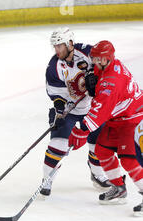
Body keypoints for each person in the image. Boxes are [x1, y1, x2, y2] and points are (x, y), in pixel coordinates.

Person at [68, 40, 143, 216]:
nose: (93, 61)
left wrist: (82, 132)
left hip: (132, 119)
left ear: (105, 59)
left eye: (96, 59)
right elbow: (99, 81)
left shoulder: (111, 82)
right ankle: (119, 188)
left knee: (129, 159)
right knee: (102, 150)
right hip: (118, 118)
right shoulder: (108, 65)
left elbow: (99, 112)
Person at [41, 27, 110, 196]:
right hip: (70, 108)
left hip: (93, 107)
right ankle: (47, 179)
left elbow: (107, 67)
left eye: (60, 46)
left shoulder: (88, 52)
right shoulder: (54, 66)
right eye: (55, 46)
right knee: (58, 144)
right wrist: (59, 108)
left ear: (70, 43)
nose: (57, 50)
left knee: (98, 144)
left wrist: (97, 80)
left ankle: (97, 174)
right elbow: (56, 92)